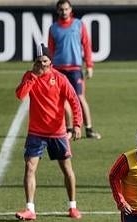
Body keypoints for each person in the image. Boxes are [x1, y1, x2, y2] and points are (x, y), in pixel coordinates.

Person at [15, 43, 83, 221]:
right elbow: (21, 95)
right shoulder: (30, 76)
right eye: (39, 61)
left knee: (67, 169)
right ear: (34, 63)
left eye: (45, 60)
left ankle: (72, 206)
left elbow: (74, 100)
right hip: (36, 132)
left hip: (57, 133)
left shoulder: (60, 78)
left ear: (50, 61)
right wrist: (32, 78)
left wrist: (77, 124)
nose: (42, 64)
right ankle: (30, 209)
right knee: (30, 167)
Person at [48, 0, 101, 140]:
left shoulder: (78, 25)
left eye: (66, 9)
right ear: (57, 11)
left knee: (79, 98)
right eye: (61, 9)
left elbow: (87, 45)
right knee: (62, 100)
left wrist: (89, 65)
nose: (64, 12)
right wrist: (49, 68)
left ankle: (89, 129)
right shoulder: (53, 28)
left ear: (70, 9)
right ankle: (69, 128)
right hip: (58, 69)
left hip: (75, 68)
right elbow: (51, 50)